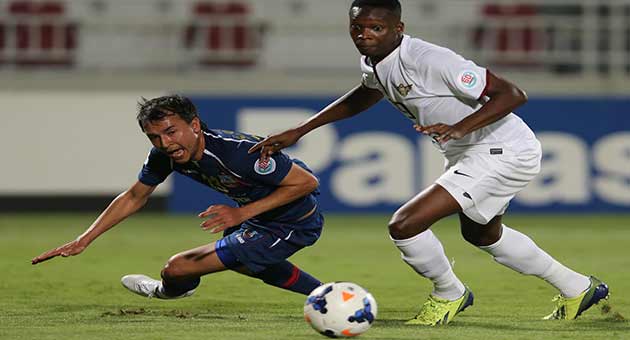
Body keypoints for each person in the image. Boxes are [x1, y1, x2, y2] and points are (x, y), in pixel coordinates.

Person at [248, 0, 609, 326]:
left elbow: (512, 94)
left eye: (377, 28)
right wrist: (302, 128)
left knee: (406, 224)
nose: (365, 35)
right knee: (482, 234)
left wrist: (459, 127)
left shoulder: (430, 59)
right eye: (358, 28)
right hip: (474, 151)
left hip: (501, 149)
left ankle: (449, 294)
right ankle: (578, 287)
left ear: (398, 29)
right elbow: (367, 92)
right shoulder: (376, 61)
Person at [32, 95, 325, 300]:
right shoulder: (164, 156)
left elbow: (306, 183)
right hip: (258, 220)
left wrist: (241, 214)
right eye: (154, 137)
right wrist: (85, 239)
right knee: (245, 261)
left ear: (194, 125)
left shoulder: (236, 153)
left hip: (292, 223)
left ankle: (164, 291)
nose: (165, 143)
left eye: (171, 132)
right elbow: (135, 195)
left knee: (177, 268)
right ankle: (327, 293)